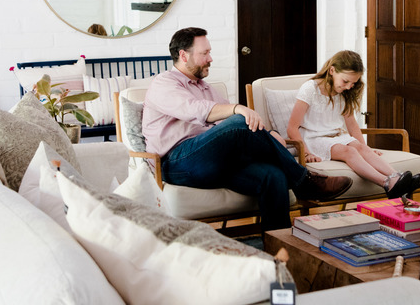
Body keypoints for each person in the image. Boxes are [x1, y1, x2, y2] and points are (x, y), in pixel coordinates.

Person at [142, 27, 353, 231]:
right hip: (177, 162)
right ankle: (304, 181)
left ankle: (277, 244)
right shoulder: (164, 83)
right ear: (183, 55)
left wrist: (269, 135)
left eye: (210, 52)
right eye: (204, 53)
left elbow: (226, 128)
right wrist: (237, 108)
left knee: (273, 176)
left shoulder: (205, 87)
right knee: (239, 121)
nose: (210, 58)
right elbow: (195, 110)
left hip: (214, 161)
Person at [286, 50, 420, 199]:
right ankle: (386, 183)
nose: (348, 87)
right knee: (349, 152)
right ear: (332, 70)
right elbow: (292, 127)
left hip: (336, 136)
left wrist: (366, 149)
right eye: (345, 81)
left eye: (353, 83)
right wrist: (306, 153)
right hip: (313, 139)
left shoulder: (344, 93)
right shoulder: (310, 89)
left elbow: (352, 126)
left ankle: (398, 177)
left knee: (360, 147)